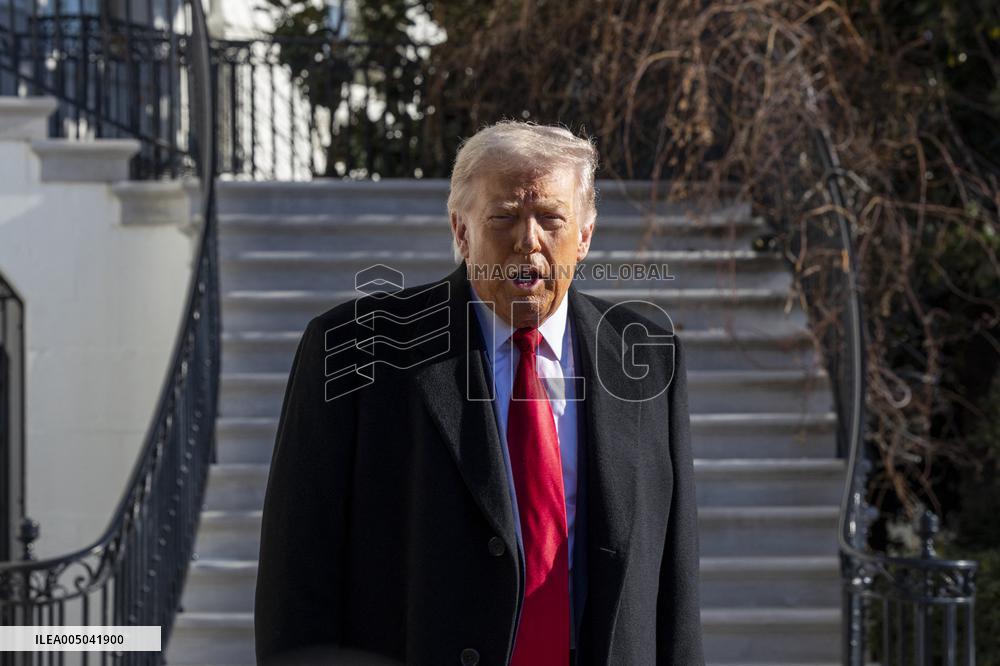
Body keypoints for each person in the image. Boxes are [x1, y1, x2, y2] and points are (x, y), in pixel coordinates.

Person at [254, 120, 704, 666]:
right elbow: (297, 572)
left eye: (551, 220)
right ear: (461, 230)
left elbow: (674, 587)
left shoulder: (648, 359)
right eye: (504, 217)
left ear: (585, 236)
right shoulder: (355, 349)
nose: (528, 241)